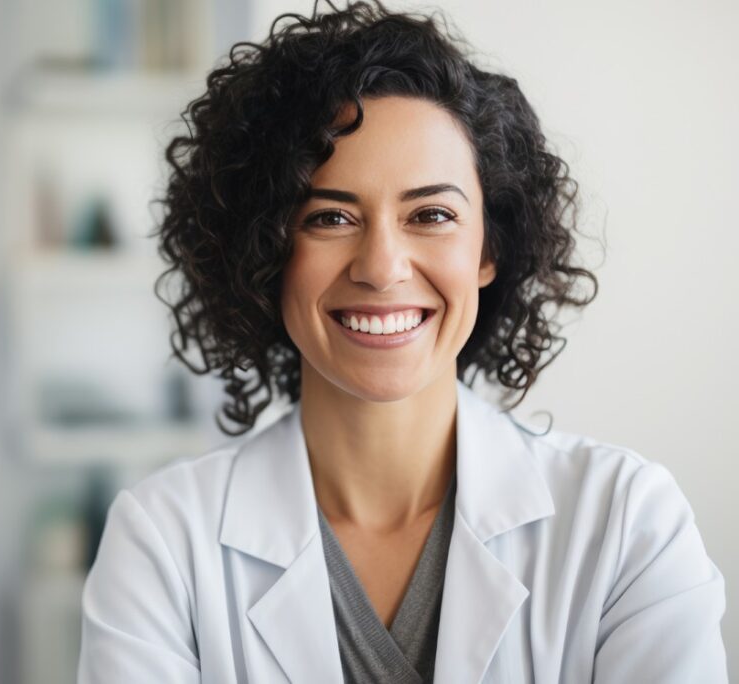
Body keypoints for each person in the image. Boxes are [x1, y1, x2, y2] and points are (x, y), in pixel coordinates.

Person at [77, 2, 728, 682]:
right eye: (329, 216)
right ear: (264, 253)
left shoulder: (627, 524)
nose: (382, 266)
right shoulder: (161, 541)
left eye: (432, 215)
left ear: (489, 247)